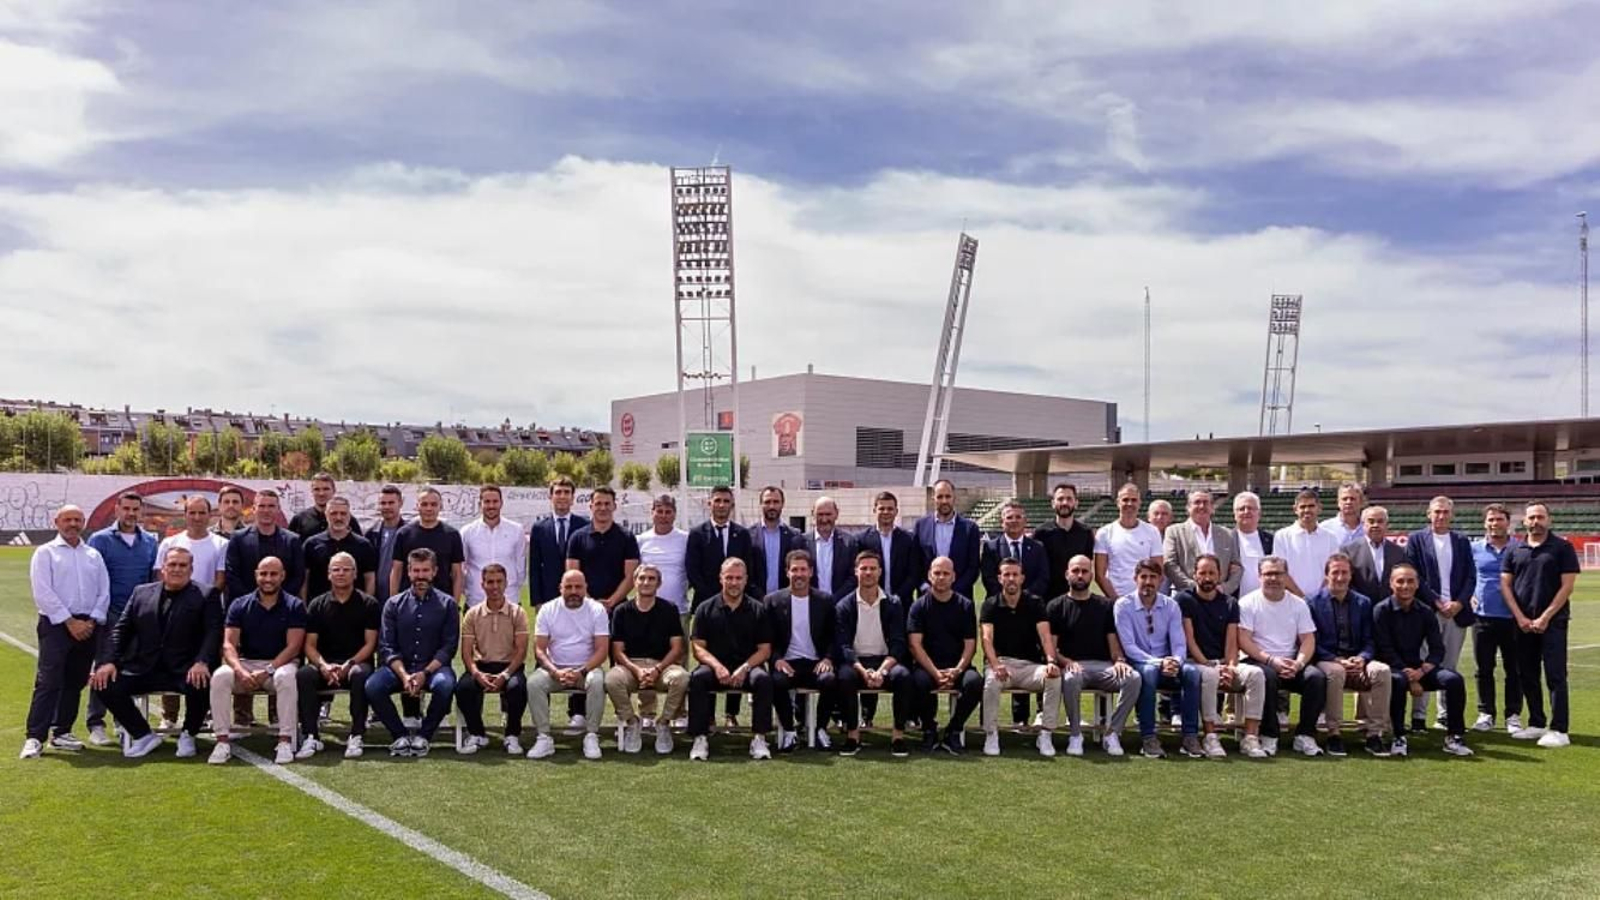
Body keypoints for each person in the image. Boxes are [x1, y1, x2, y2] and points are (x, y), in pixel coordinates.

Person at [89, 547, 220, 759]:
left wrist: (202, 661)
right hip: (145, 667)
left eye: (182, 565)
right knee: (103, 682)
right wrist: (108, 662)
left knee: (201, 681)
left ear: (191, 569)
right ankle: (143, 735)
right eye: (172, 564)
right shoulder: (141, 592)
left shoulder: (206, 594)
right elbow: (120, 630)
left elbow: (213, 632)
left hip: (184, 668)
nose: (177, 569)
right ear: (163, 568)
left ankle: (188, 734)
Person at [21, 505, 110, 760]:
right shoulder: (45, 553)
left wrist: (92, 620)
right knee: (48, 681)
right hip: (56, 625)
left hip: (88, 625)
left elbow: (104, 590)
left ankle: (62, 732)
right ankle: (35, 737)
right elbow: (43, 591)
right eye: (68, 519)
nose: (73, 524)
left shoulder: (93, 554)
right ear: (57, 522)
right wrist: (69, 622)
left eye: (77, 520)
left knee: (75, 681)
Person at [208, 556, 305, 766]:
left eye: (273, 574)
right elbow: (228, 645)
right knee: (220, 676)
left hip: (279, 664)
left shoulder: (294, 605)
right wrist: (240, 670)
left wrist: (268, 670)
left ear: (282, 576)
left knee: (286, 677)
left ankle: (286, 740)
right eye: (263, 573)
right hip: (247, 665)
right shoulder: (239, 604)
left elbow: (293, 648)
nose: (268, 578)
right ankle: (222, 741)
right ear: (256, 575)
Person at [366, 549, 459, 758]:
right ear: (408, 572)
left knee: (446, 685)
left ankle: (424, 736)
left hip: (433, 669)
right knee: (373, 686)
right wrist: (405, 676)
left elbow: (448, 647)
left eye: (425, 570)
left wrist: (424, 673)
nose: (420, 576)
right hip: (400, 669)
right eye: (416, 570)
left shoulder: (448, 604)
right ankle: (399, 735)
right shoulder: (393, 604)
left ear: (434, 572)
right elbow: (387, 646)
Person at [1501, 501, 1579, 748]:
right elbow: (1506, 585)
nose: (1536, 521)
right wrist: (1520, 617)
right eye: (1531, 517)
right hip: (1523, 623)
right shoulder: (1515, 550)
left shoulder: (1562, 547)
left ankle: (1560, 729)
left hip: (1553, 623)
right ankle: (1536, 723)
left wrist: (1545, 617)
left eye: (1540, 517)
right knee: (1528, 673)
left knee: (1555, 675)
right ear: (1524, 521)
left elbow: (1567, 586)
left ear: (1549, 519)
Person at [1373, 564, 1473, 757]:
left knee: (1453, 680)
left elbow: (1437, 649)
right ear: (1391, 584)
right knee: (1399, 680)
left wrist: (1422, 671)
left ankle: (1454, 736)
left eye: (1410, 581)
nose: (1405, 586)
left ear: (1417, 584)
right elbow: (1385, 649)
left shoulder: (1425, 611)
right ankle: (1399, 736)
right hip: (1392, 668)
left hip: (1419, 669)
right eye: (1400, 581)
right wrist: (1410, 676)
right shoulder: (1381, 610)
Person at [85, 491, 159, 745]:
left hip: (139, 616)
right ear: (117, 509)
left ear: (141, 511)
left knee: (128, 670)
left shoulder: (149, 541)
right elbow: (92, 577)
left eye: (135, 509)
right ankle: (95, 722)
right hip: (110, 613)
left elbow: (152, 579)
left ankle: (122, 721)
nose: (130, 513)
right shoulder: (100, 540)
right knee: (104, 667)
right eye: (126, 508)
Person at [1175, 554, 1267, 759]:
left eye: (1212, 573)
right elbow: (1189, 639)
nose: (1207, 578)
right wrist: (1210, 665)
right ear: (1194, 574)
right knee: (1209, 675)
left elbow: (1232, 640)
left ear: (1220, 575)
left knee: (1256, 674)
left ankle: (1250, 737)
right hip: (1196, 661)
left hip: (1225, 662)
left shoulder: (1230, 603)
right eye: (1203, 573)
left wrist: (1231, 666)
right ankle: (1210, 736)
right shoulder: (1184, 599)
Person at [1047, 554, 1139, 757]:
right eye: (1075, 571)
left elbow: (1113, 643)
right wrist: (1067, 662)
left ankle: (1112, 733)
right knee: (1071, 678)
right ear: (1067, 574)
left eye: (1084, 571)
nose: (1080, 575)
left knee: (1133, 678)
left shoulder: (1106, 606)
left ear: (1092, 575)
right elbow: (1052, 649)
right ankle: (1075, 735)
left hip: (1104, 666)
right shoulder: (1056, 606)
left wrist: (1120, 661)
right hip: (1073, 666)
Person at [152, 495, 230, 729]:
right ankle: (170, 716)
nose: (196, 518)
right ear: (185, 515)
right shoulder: (170, 543)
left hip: (207, 614)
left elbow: (220, 579)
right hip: (173, 614)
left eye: (201, 513)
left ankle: (203, 713)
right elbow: (160, 575)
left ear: (210, 515)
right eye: (192, 513)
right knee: (171, 661)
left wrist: (199, 604)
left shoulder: (220, 544)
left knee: (206, 662)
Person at [687, 558, 776, 761]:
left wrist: (745, 667)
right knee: (697, 679)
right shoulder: (705, 608)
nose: (734, 583)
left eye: (738, 578)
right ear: (721, 579)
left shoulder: (757, 609)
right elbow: (698, 648)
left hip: (747, 666)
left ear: (745, 580)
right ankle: (700, 738)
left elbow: (765, 650)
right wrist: (717, 666)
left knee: (763, 680)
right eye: (729, 578)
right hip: (715, 667)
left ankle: (760, 738)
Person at [1237, 556, 1326, 757]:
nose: (1273, 578)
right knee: (1266, 677)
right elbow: (1244, 640)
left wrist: (1299, 663)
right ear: (1259, 576)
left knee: (1316, 678)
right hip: (1260, 660)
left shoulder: (1298, 604)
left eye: (1278, 573)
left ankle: (1305, 736)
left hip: (1291, 662)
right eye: (1268, 574)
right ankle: (1269, 735)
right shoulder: (1247, 603)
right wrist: (1270, 660)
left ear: (1286, 576)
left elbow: (1308, 639)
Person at [1113, 560, 1202, 759]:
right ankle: (1148, 737)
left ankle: (1190, 736)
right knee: (1149, 673)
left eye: (1153, 577)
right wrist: (1158, 663)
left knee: (1193, 673)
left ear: (1161, 580)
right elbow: (1129, 647)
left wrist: (1176, 661)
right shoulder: (1123, 605)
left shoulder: (1170, 605)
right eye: (1143, 577)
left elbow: (1179, 643)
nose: (1148, 582)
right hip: (1141, 662)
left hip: (1169, 663)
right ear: (1135, 579)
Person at [1306, 554, 1392, 757]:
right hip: (1327, 659)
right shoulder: (1312, 602)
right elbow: (1311, 640)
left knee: (1382, 671)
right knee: (1336, 673)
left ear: (1351, 575)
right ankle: (1334, 733)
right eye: (1335, 572)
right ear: (1327, 575)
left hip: (1357, 659)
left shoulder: (1363, 603)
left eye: (1344, 572)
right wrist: (1335, 660)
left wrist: (1362, 657)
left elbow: (1370, 638)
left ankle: (1374, 734)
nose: (1340, 577)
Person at [295, 551, 379, 760]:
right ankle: (311, 735)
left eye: (346, 569)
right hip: (325, 664)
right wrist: (323, 666)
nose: (341, 573)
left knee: (360, 675)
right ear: (328, 574)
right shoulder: (317, 604)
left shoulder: (369, 604)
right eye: (336, 569)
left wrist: (348, 664)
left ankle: (357, 734)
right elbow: (310, 645)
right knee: (305, 674)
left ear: (355, 573)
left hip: (356, 663)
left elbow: (370, 644)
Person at [683, 484, 753, 729]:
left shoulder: (742, 535)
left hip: (737, 606)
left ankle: (731, 713)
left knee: (736, 655)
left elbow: (748, 569)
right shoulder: (697, 533)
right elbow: (692, 570)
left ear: (732, 505)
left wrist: (733, 596)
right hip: (707, 606)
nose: (722, 505)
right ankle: (708, 715)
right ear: (709, 504)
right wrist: (716, 599)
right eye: (717, 501)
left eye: (726, 501)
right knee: (708, 661)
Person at [1405, 496, 1475, 732]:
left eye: (1445, 512)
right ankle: (1418, 717)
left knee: (1449, 665)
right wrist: (1436, 602)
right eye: (1437, 512)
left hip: (1456, 613)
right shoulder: (1416, 539)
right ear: (1428, 514)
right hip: (1427, 612)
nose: (1441, 516)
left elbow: (1470, 577)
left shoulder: (1462, 541)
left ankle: (1445, 716)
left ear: (1452, 515)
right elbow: (1416, 577)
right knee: (1423, 662)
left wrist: (1458, 603)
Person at [832, 551, 912, 757]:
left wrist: (882, 671)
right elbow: (843, 647)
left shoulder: (893, 604)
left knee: (903, 677)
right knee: (844, 677)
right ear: (856, 572)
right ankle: (852, 736)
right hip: (856, 662)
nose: (868, 572)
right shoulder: (844, 606)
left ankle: (898, 736)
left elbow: (898, 643)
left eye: (873, 568)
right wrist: (861, 669)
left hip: (885, 661)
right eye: (863, 568)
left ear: (880, 572)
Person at [979, 558, 1060, 757]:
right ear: (1000, 578)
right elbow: (986, 639)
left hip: (1030, 667)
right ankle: (991, 734)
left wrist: (1051, 661)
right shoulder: (990, 605)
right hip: (1002, 665)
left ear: (1022, 578)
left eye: (1015, 574)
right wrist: (996, 664)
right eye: (1006, 575)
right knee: (991, 682)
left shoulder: (1035, 603)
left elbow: (1045, 635)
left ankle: (1046, 734)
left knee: (1054, 677)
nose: (1011, 579)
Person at [607, 564, 689, 755]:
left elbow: (677, 648)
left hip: (661, 666)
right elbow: (618, 651)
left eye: (651, 578)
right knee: (611, 679)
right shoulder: (621, 611)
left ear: (659, 583)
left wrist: (658, 669)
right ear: (634, 582)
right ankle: (632, 723)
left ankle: (663, 723)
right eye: (642, 578)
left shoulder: (669, 609)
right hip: (631, 666)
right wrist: (636, 670)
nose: (646, 582)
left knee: (682, 677)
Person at [528, 569, 609, 760]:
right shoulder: (548, 609)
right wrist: (555, 671)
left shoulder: (596, 610)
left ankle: (591, 735)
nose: (574, 591)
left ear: (586, 588)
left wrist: (582, 671)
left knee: (597, 681)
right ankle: (544, 737)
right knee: (534, 683)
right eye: (569, 587)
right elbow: (539, 649)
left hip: (586, 669)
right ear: (560, 588)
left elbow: (602, 650)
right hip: (556, 669)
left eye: (578, 587)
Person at [905, 556, 980, 755]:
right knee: (917, 681)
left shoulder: (965, 605)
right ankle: (929, 728)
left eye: (946, 573)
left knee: (974, 683)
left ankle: (953, 730)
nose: (941, 577)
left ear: (954, 577)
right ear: (929, 576)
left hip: (957, 666)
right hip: (928, 666)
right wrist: (935, 672)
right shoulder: (919, 607)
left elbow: (970, 645)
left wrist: (957, 670)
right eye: (937, 573)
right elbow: (915, 645)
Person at [766, 550, 839, 751]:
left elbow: (834, 637)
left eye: (803, 570)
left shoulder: (825, 601)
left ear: (811, 572)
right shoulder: (773, 601)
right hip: (787, 663)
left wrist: (828, 659)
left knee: (830, 680)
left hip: (815, 663)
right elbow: (766, 639)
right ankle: (789, 731)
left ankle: (821, 729)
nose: (799, 574)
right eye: (794, 570)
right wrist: (776, 660)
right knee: (777, 681)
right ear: (787, 572)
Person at [455, 564, 531, 756]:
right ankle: (478, 733)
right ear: (482, 584)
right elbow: (466, 653)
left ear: (506, 584)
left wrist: (505, 675)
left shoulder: (517, 613)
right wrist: (476, 673)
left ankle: (512, 734)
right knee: (464, 687)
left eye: (499, 582)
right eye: (490, 582)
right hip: (482, 666)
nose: (494, 586)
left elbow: (521, 651)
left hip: (510, 666)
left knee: (517, 688)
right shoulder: (472, 614)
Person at [1470, 503, 1521, 733]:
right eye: (1490, 519)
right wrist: (1470, 595)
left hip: (1512, 618)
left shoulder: (1520, 548)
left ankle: (1513, 715)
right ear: (1484, 523)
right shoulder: (1474, 548)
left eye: (1499, 519)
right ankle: (1486, 713)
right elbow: (1464, 576)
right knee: (1484, 669)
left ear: (1507, 523)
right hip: (1483, 618)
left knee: (1514, 669)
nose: (1494, 523)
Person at [566, 485, 640, 613]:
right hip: (584, 608)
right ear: (591, 506)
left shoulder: (627, 537)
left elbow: (631, 577)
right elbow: (573, 576)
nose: (603, 508)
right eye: (598, 504)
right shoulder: (577, 537)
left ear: (614, 506)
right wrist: (591, 603)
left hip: (618, 609)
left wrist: (611, 602)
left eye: (607, 504)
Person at [224, 487, 304, 600]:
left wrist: (277, 601)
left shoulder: (292, 540)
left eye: (271, 506)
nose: (266, 510)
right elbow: (232, 576)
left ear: (278, 509)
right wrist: (254, 601)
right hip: (246, 608)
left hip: (283, 609)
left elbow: (298, 577)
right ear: (253, 509)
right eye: (262, 506)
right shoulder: (238, 539)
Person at [389, 487, 465, 601]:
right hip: (409, 603)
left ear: (441, 506)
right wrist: (394, 602)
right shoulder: (404, 534)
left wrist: (455, 604)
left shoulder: (452, 535)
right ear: (417, 506)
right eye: (424, 504)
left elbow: (457, 574)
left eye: (433, 504)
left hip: (441, 603)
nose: (429, 508)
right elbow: (396, 571)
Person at [1163, 490, 1242, 596]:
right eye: (1197, 502)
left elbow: (1236, 567)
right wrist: (1195, 588)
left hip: (1219, 596)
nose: (1201, 506)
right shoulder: (1174, 532)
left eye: (1205, 502)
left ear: (1212, 507)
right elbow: (1170, 564)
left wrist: (1224, 588)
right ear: (1188, 508)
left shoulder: (1227, 534)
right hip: (1187, 596)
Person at [913, 479, 982, 600]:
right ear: (933, 498)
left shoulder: (970, 529)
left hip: (960, 599)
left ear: (954, 498)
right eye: (940, 497)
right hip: (928, 598)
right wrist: (926, 588)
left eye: (948, 496)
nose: (944, 501)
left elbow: (973, 567)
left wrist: (952, 592)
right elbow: (915, 563)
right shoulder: (921, 526)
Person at [460, 484, 527, 609]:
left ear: (501, 503)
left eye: (495, 501)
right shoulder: (467, 532)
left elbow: (520, 568)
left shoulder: (516, 530)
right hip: (476, 601)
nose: (491, 506)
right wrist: (470, 591)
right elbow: (461, 568)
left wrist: (511, 589)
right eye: (487, 502)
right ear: (480, 504)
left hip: (509, 601)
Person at [1094, 483, 1163, 600]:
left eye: (1134, 500)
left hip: (1144, 599)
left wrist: (1146, 597)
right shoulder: (1104, 533)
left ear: (1139, 503)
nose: (1129, 504)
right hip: (1116, 599)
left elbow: (1158, 570)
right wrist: (1116, 600)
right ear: (1118, 502)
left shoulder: (1152, 532)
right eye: (1125, 500)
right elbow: (1100, 575)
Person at [300, 496, 377, 601]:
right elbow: (304, 579)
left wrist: (368, 605)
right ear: (326, 515)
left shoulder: (363, 545)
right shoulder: (311, 544)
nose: (338, 518)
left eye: (343, 513)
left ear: (349, 516)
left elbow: (370, 578)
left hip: (356, 608)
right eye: (333, 513)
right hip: (319, 610)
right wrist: (304, 605)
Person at [1272, 489, 1341, 598]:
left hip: (1323, 600)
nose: (1307, 510)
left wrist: (1318, 598)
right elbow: (1281, 571)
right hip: (1291, 599)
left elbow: (1333, 570)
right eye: (1302, 507)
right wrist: (1301, 597)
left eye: (1311, 506)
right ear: (1295, 509)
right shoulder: (1282, 536)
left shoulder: (1331, 537)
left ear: (1319, 508)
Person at [1035, 482, 1096, 601]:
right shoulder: (1041, 533)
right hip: (1047, 599)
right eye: (1060, 499)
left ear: (1076, 503)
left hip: (1077, 599)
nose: (1064, 503)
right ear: (1053, 503)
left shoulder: (1086, 533)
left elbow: (1087, 568)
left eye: (1069, 499)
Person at [637, 493, 690, 631]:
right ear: (652, 512)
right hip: (647, 610)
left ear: (674, 514)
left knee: (679, 651)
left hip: (678, 610)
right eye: (659, 511)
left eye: (668, 512)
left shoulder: (686, 539)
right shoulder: (641, 540)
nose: (663, 516)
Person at [980, 501, 1049, 600]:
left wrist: (1024, 597)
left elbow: (1043, 578)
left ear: (1025, 521)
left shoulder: (1037, 547)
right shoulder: (991, 547)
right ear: (1002, 522)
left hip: (1030, 605)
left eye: (1018, 517)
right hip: (999, 605)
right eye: (1009, 517)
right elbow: (988, 578)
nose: (1014, 521)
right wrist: (1008, 597)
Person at [1342, 506, 1407, 609]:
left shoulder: (1399, 552)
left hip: (1391, 611)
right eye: (1371, 521)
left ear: (1387, 525)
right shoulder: (1349, 551)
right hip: (1360, 610)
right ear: (1363, 525)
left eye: (1380, 521)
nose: (1375, 525)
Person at [749, 485, 805, 598]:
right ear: (761, 504)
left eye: (776, 502)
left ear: (782, 504)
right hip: (756, 601)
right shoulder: (748, 535)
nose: (772, 506)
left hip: (785, 600)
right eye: (767, 502)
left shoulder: (794, 536)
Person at [803, 496, 856, 601]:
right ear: (812, 514)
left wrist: (835, 599)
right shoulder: (800, 542)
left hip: (840, 603)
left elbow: (853, 577)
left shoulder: (849, 543)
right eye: (820, 514)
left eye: (828, 514)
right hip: (811, 603)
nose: (824, 519)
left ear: (836, 514)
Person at [289, 472, 362, 539]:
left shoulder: (348, 521)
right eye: (317, 489)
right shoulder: (299, 520)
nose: (321, 493)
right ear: (312, 491)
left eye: (326, 489)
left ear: (334, 491)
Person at [367, 484, 407, 603]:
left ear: (400, 504)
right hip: (376, 597)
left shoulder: (409, 534)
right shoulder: (371, 534)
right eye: (383, 503)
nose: (387, 506)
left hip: (403, 597)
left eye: (391, 503)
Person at [1231, 492, 1274, 597]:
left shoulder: (1271, 540)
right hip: (1234, 602)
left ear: (1259, 513)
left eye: (1251, 508)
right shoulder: (1225, 540)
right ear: (1235, 514)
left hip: (1264, 602)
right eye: (1241, 509)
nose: (1246, 512)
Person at [1321, 482, 1367, 546]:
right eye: (1344, 499)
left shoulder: (1368, 528)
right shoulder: (1325, 528)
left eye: (1352, 499)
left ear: (1361, 502)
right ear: (1338, 503)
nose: (1348, 502)